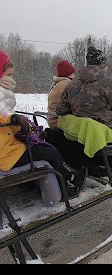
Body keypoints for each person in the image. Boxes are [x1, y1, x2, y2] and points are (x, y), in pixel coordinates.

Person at [0, 52, 87, 199]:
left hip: (9, 144)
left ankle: (70, 177)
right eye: (9, 75)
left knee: (47, 146)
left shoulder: (57, 84)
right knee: (50, 152)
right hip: (5, 152)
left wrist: (21, 122)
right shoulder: (67, 84)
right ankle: (66, 187)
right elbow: (5, 117)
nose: (12, 79)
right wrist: (16, 120)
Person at [56, 46, 112, 138]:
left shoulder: (72, 84)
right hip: (105, 129)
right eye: (106, 65)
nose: (107, 68)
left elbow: (60, 109)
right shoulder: (109, 84)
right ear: (103, 66)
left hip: (81, 130)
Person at [47, 60, 76, 130]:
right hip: (58, 121)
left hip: (52, 119)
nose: (74, 75)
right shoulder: (67, 84)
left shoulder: (57, 83)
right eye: (72, 73)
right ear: (68, 73)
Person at [0, 50, 16, 115]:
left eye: (12, 74)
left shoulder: (5, 88)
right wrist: (13, 118)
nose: (11, 78)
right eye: (8, 75)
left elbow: (7, 110)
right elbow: (2, 113)